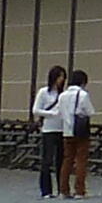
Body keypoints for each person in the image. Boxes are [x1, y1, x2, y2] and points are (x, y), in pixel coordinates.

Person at [58, 67, 94, 197]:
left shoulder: (62, 95)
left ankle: (63, 190)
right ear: (83, 82)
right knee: (81, 160)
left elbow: (60, 112)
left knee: (67, 160)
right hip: (81, 131)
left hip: (67, 131)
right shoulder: (83, 95)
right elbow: (90, 112)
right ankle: (79, 190)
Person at [33, 66, 69, 196]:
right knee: (47, 160)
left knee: (61, 160)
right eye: (60, 76)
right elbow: (36, 110)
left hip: (61, 129)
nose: (62, 79)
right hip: (48, 129)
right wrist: (51, 114)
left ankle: (61, 188)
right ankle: (46, 190)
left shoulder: (63, 95)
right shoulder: (43, 92)